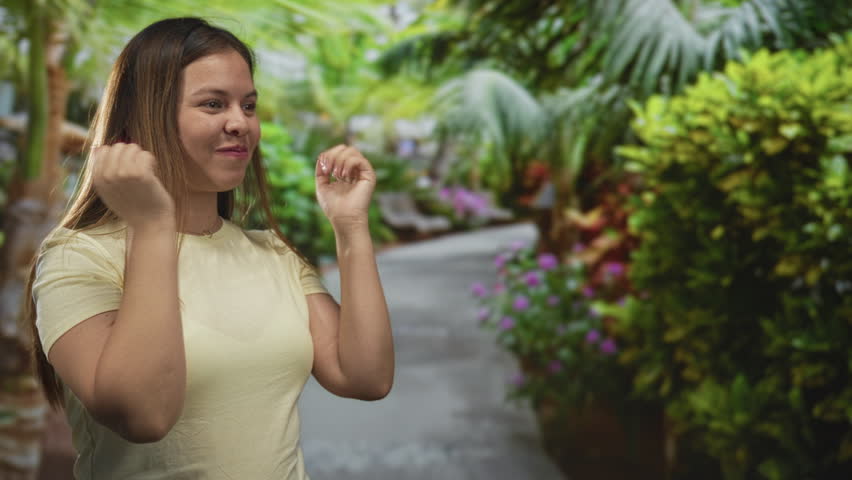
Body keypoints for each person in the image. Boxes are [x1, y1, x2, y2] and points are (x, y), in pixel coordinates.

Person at [23, 17, 394, 479]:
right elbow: (144, 416)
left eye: (249, 105)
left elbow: (365, 377)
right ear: (146, 116)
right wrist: (154, 225)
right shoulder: (77, 257)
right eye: (213, 104)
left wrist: (351, 226)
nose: (240, 123)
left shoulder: (270, 253)